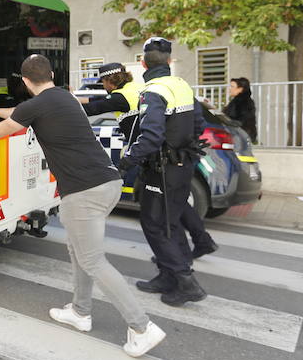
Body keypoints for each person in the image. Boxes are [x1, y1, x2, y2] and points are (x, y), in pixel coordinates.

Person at [0, 54, 166, 358]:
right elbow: (18, 113)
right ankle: (80, 312)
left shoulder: (36, 105)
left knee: (93, 260)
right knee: (78, 250)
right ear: (51, 75)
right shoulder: (64, 98)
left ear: (26, 82)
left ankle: (141, 327)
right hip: (106, 183)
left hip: (85, 190)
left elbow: (3, 129)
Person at [81, 63, 218, 259]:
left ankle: (175, 258)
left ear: (110, 80)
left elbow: (93, 107)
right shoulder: (136, 88)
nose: (104, 86)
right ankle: (201, 241)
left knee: (157, 211)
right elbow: (99, 100)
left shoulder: (120, 97)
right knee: (175, 202)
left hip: (146, 153)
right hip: (164, 151)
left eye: (103, 81)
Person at [118, 38, 208, 306]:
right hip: (183, 167)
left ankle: (185, 280)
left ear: (143, 63)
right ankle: (167, 276)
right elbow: (199, 125)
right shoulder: (181, 86)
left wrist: (128, 161)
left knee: (155, 225)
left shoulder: (154, 91)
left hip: (161, 171)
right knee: (171, 221)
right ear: (169, 61)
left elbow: (151, 136)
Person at [223, 77, 257, 143]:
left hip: (239, 137)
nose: (229, 89)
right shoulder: (240, 101)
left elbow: (237, 120)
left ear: (240, 89)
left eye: (232, 86)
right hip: (242, 136)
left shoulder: (242, 102)